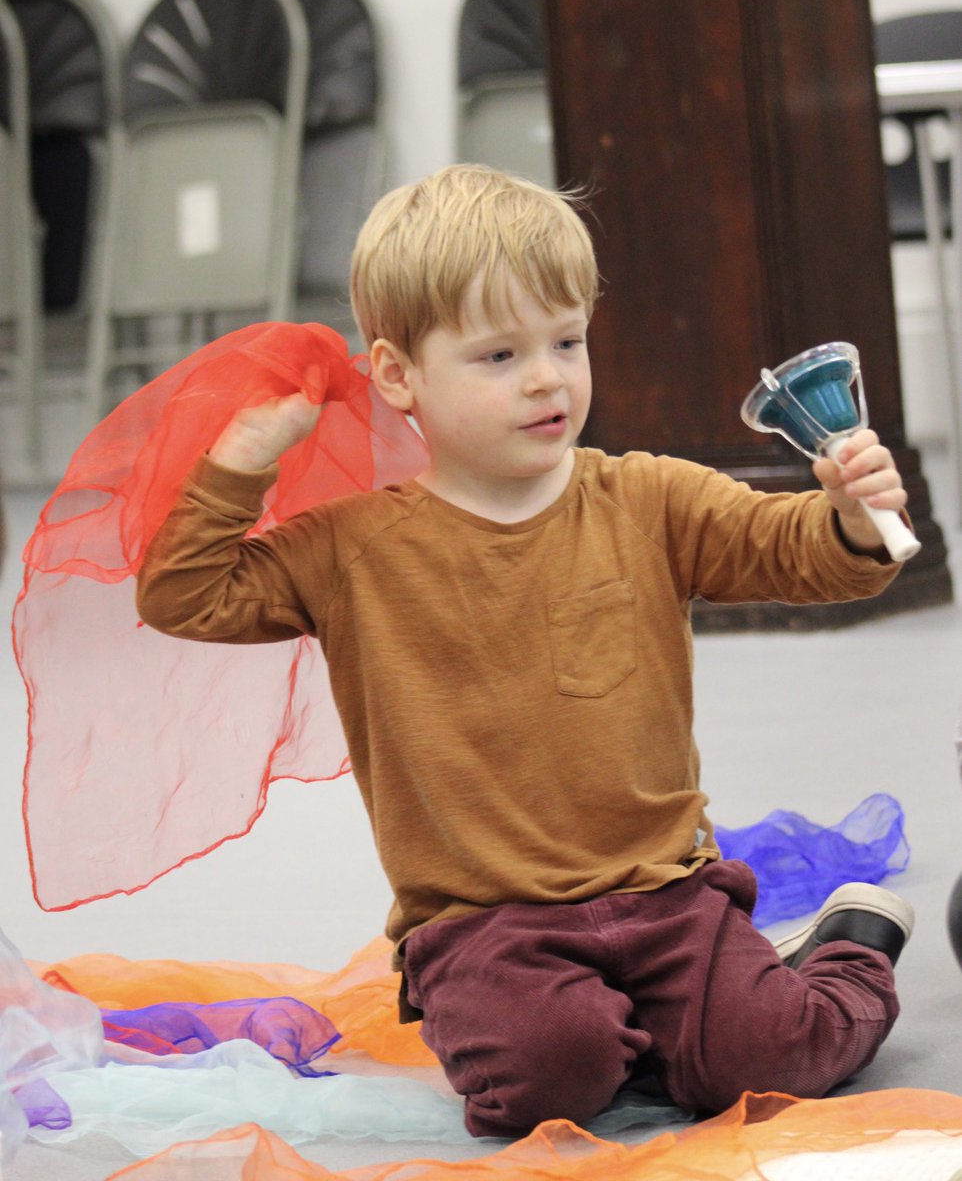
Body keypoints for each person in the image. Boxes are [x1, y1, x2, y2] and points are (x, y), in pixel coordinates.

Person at [136, 163, 914, 1137]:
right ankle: (632, 1027)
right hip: (482, 925)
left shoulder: (648, 497)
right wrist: (241, 464)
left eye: (566, 340)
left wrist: (847, 517)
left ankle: (848, 944)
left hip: (666, 890)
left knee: (770, 1057)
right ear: (395, 374)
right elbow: (185, 596)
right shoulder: (350, 549)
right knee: (547, 1080)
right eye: (499, 355)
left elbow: (804, 557)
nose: (548, 376)